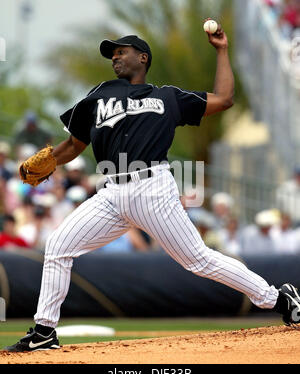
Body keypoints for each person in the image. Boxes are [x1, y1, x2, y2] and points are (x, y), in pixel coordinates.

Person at [5, 27, 300, 352]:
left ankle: (277, 297)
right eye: (112, 53)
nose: (115, 56)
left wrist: (221, 51)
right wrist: (47, 162)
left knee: (198, 261)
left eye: (122, 50)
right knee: (59, 246)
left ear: (142, 57)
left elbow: (224, 99)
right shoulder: (100, 94)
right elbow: (74, 144)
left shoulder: (167, 97)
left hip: (152, 188)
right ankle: (45, 331)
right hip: (110, 193)